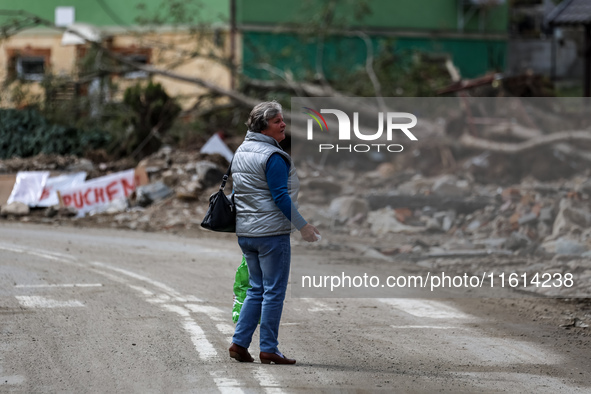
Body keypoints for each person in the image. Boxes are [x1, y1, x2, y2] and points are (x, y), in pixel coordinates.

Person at [228, 101, 320, 365]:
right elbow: (280, 196)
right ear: (263, 126)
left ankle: (239, 343)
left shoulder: (242, 151)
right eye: (278, 121)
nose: (284, 124)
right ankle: (269, 348)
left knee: (257, 289)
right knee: (273, 291)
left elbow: (239, 193)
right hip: (271, 234)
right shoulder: (272, 157)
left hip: (247, 233)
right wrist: (303, 226)